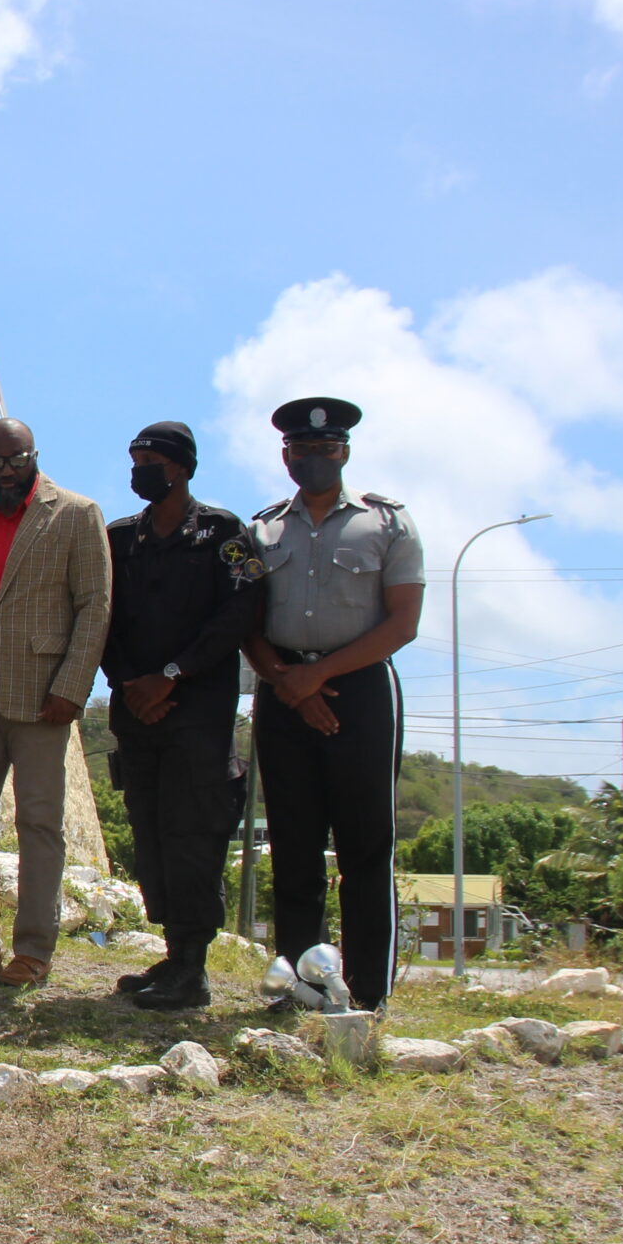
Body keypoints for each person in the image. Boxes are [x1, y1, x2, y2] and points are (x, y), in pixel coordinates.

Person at [240, 396, 423, 1011]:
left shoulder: (389, 523)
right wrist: (288, 681)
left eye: (326, 448)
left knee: (365, 845)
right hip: (281, 689)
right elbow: (246, 621)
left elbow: (403, 622)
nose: (313, 458)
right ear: (285, 455)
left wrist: (316, 679)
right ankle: (303, 984)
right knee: (293, 846)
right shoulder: (262, 530)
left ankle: (368, 992)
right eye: (302, 449)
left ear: (344, 452)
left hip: (361, 689)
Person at [0, 418, 110, 989]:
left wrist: (72, 687)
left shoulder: (76, 514)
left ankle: (33, 950)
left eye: (16, 460)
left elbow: (95, 606)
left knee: (39, 824)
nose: (5, 471)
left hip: (42, 696)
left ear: (34, 456)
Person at [100, 421, 263, 1010]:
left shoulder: (224, 534)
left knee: (192, 834)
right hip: (136, 713)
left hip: (197, 717)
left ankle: (193, 968)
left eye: (152, 463)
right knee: (150, 834)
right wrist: (129, 682)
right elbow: (101, 616)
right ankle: (173, 954)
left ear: (183, 468)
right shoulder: (120, 538)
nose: (140, 472)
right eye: (135, 461)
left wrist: (172, 676)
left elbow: (240, 612)